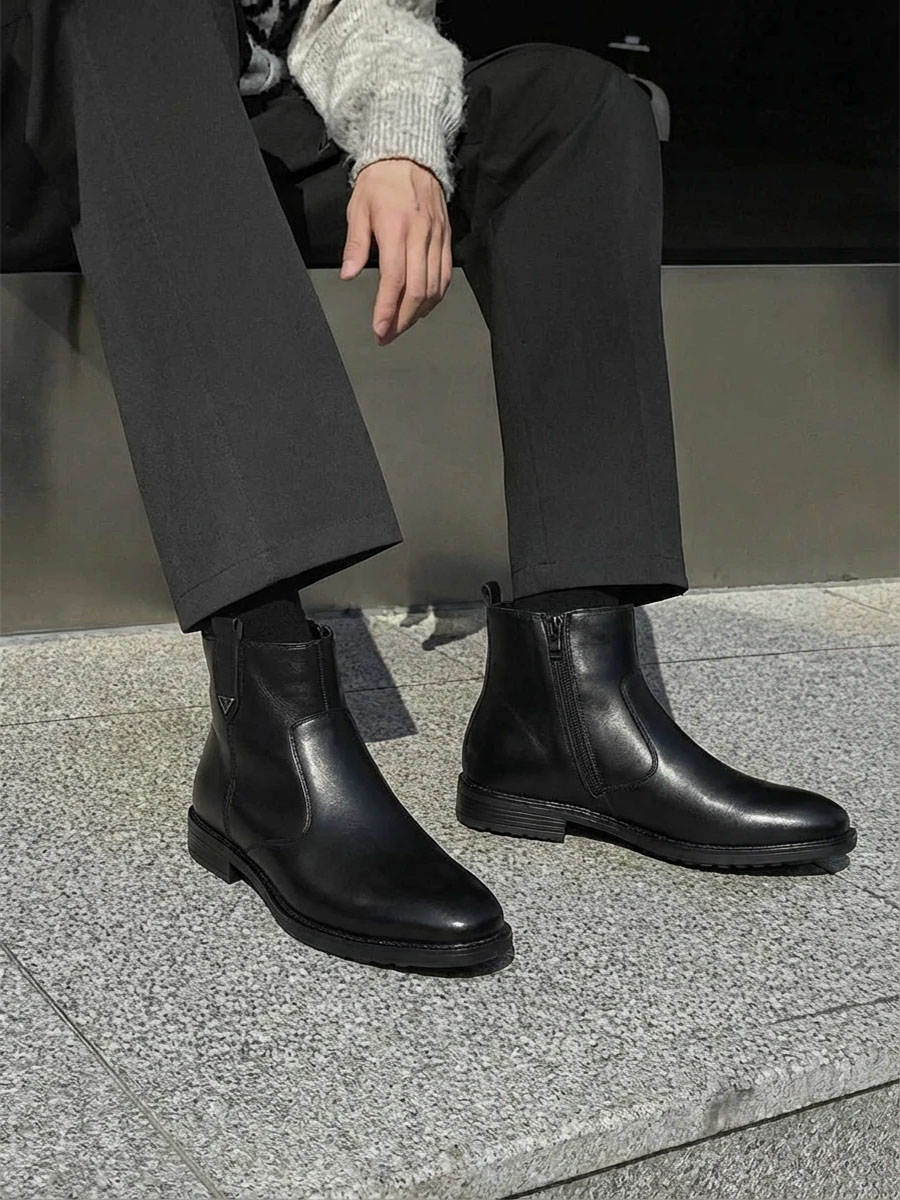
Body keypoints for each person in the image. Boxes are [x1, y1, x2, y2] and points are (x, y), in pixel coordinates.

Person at [1, 0, 856, 970]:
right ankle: (268, 736)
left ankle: (570, 713)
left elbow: (362, 11)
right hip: (56, 117)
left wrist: (401, 142)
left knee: (570, 105)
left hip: (236, 126)